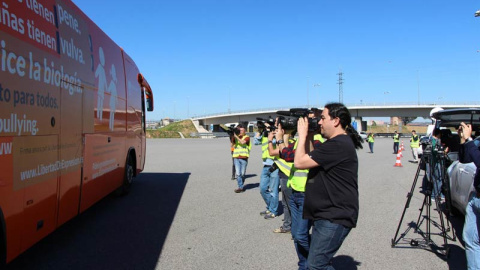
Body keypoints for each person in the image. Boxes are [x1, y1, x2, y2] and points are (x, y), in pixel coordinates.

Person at [294, 102, 363, 270]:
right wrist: (309, 136)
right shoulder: (336, 143)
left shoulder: (338, 144)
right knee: (316, 263)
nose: (319, 122)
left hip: (335, 216)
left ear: (336, 121)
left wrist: (301, 136)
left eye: (323, 118)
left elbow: (300, 162)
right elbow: (312, 158)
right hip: (326, 214)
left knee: (316, 265)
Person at [458, 122, 480, 269]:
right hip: (476, 196)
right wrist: (463, 139)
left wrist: (470, 141)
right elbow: (465, 159)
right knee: (471, 239)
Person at [254, 123, 280, 219]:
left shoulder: (277, 135)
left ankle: (273, 211)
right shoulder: (265, 135)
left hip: (274, 165)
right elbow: (256, 142)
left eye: (268, 126)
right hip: (265, 165)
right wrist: (259, 130)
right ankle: (270, 206)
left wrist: (273, 133)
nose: (266, 128)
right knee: (262, 189)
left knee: (273, 190)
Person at [232, 125, 251, 193]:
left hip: (244, 158)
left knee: (242, 174)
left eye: (241, 130)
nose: (240, 132)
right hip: (236, 157)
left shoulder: (247, 137)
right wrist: (233, 136)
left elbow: (243, 142)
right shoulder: (236, 137)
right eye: (239, 130)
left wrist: (236, 136)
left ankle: (241, 184)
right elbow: (232, 144)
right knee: (238, 173)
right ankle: (240, 187)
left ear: (245, 131)